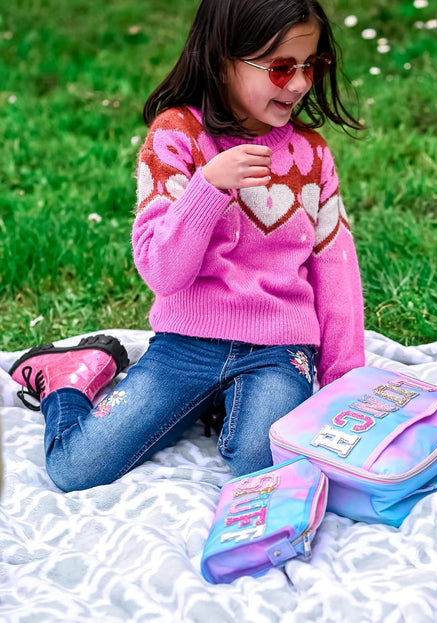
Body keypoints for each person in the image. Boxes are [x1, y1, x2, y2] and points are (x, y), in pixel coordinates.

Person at [9, 0, 365, 492]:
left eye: (313, 65)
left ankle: (223, 405)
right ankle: (68, 375)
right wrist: (208, 189)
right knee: (77, 469)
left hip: (281, 349)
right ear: (224, 61)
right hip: (185, 345)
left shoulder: (311, 154)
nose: (302, 83)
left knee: (265, 460)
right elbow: (162, 272)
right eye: (282, 68)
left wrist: (347, 382)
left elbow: (335, 267)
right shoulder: (176, 137)